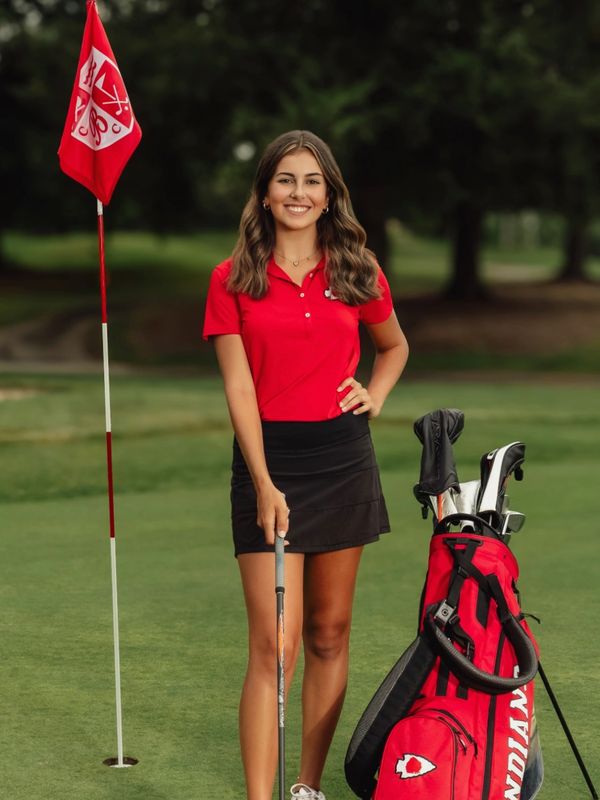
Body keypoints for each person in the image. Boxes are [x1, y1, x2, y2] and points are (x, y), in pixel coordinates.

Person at [202, 130, 409, 800]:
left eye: (311, 181)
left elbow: (394, 346)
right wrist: (263, 481)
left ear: (328, 195)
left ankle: (306, 786)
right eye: (285, 180)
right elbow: (238, 387)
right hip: (270, 458)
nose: (298, 193)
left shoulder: (356, 267)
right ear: (265, 192)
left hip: (343, 457)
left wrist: (372, 396)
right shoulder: (232, 278)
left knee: (327, 633)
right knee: (275, 644)